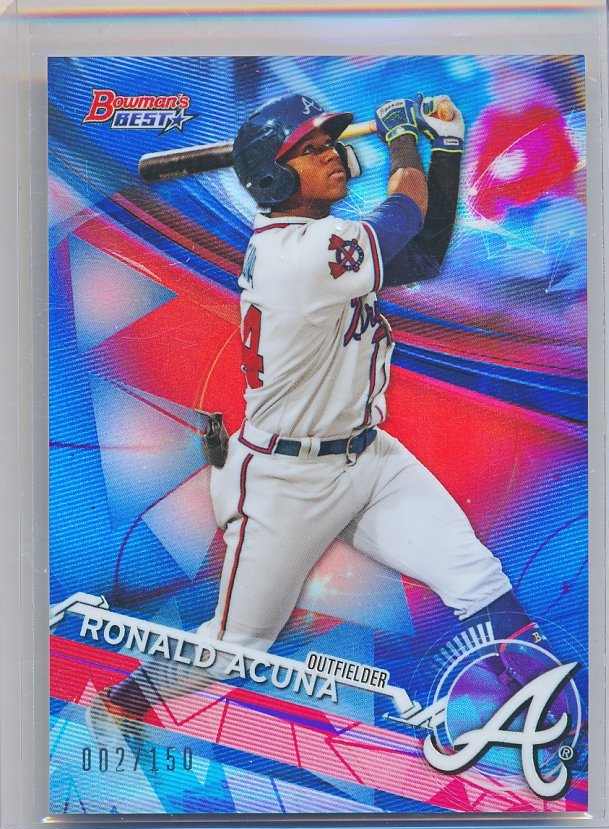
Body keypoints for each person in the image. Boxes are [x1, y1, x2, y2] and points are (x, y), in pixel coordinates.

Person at [89, 93, 549, 738]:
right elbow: (402, 213)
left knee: (477, 578)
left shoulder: (322, 244)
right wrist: (403, 140)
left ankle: (553, 718)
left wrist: (444, 150)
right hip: (285, 479)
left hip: (369, 459)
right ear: (274, 178)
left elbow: (422, 254)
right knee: (236, 646)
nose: (332, 154)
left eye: (329, 142)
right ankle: (125, 703)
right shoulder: (298, 253)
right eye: (310, 150)